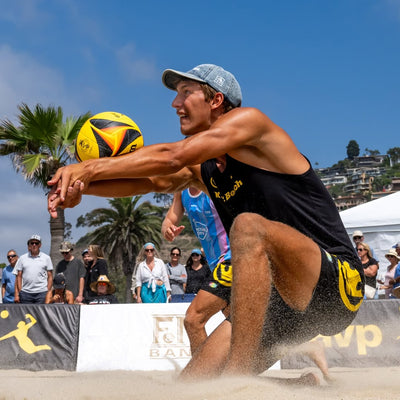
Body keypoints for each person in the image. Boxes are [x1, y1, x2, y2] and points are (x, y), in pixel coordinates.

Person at [47, 63, 364, 379]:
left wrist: (88, 169)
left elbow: (174, 155)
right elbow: (152, 181)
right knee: (192, 386)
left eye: (186, 93)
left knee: (248, 227)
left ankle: (236, 382)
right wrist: (81, 189)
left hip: (336, 282)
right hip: (282, 304)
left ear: (216, 101)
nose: (175, 104)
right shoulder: (205, 167)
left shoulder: (250, 124)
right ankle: (301, 389)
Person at [162, 188, 232, 353]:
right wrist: (167, 228)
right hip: (216, 265)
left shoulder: (212, 183)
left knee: (193, 319)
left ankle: (202, 375)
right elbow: (170, 217)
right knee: (238, 323)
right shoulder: (182, 190)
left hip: (232, 259)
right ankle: (233, 374)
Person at [14, 235, 53, 304]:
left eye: (36, 243)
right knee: (25, 314)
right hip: (26, 293)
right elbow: (19, 276)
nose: (34, 245)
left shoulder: (46, 258)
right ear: (29, 245)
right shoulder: (22, 258)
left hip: (42, 293)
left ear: (40, 245)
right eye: (32, 243)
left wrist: (48, 290)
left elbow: (50, 276)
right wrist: (20, 291)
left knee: (40, 314)